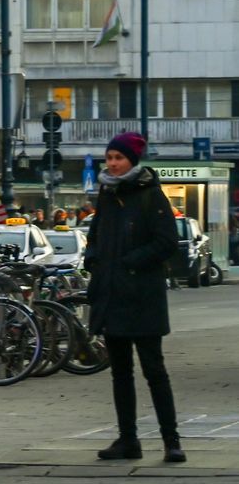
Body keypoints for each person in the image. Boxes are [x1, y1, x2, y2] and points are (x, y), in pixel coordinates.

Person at [85, 132, 185, 463]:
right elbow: (96, 232)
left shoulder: (150, 194)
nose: (112, 164)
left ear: (133, 160)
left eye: (119, 158)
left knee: (154, 370)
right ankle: (128, 440)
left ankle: (171, 440)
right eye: (110, 157)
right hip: (112, 294)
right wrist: (94, 257)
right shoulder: (107, 193)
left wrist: (129, 263)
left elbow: (167, 241)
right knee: (120, 372)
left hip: (142, 295)